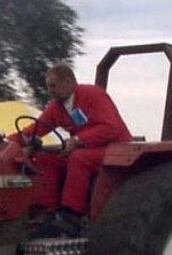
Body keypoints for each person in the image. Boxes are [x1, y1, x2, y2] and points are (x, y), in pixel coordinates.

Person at [10, 62, 133, 238]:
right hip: (89, 150)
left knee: (78, 158)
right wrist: (6, 143)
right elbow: (34, 130)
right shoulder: (57, 107)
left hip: (116, 150)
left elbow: (110, 128)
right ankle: (46, 211)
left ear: (68, 82)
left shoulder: (93, 95)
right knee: (44, 157)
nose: (49, 91)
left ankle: (70, 216)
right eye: (48, 86)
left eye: (53, 86)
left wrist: (77, 140)